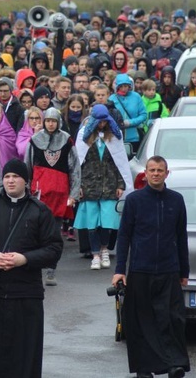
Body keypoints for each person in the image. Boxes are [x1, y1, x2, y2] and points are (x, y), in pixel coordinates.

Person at [0, 159, 63, 378]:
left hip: (26, 295)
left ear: (25, 181)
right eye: (7, 176)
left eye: (15, 176)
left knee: (25, 354)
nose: (10, 180)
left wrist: (24, 259)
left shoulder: (39, 210)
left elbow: (54, 249)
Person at [112, 156, 190, 378]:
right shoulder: (135, 200)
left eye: (160, 170)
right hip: (140, 269)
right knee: (140, 321)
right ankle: (144, 368)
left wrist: (184, 271)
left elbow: (180, 236)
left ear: (167, 173)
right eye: (152, 170)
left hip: (168, 269)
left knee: (172, 318)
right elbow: (124, 235)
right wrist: (119, 270)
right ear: (145, 173)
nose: (156, 173)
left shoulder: (176, 200)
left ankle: (175, 364)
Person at [24, 107, 81, 286]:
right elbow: (28, 167)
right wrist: (26, 191)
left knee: (54, 234)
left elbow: (74, 169)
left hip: (59, 194)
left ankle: (51, 270)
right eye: (48, 120)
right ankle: (35, 267)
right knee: (35, 232)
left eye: (53, 121)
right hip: (39, 194)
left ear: (58, 122)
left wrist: (73, 194)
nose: (50, 124)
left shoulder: (66, 140)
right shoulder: (34, 140)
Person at [74, 105, 132, 270]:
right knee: (92, 223)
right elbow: (79, 163)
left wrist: (121, 184)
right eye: (98, 121)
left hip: (110, 185)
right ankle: (95, 255)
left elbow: (120, 163)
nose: (101, 124)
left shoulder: (114, 136)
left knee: (107, 222)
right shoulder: (84, 136)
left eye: (104, 121)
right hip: (89, 184)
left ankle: (104, 249)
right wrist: (77, 186)